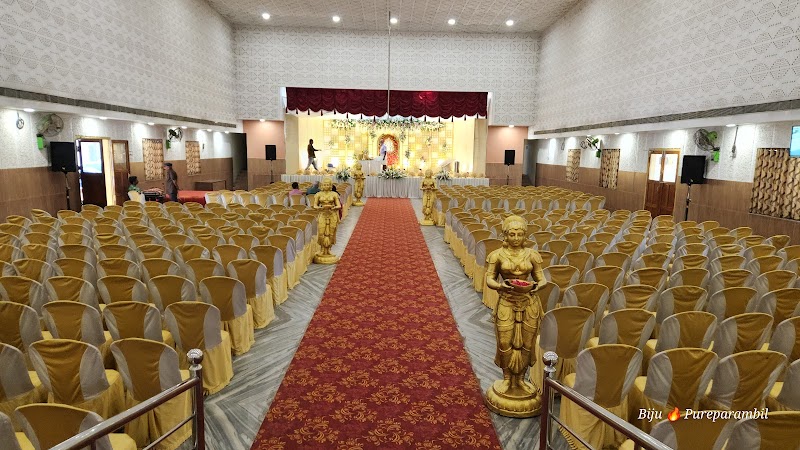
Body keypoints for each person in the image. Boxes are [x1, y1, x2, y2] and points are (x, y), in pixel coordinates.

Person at [484, 215, 547, 417]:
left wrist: (536, 286)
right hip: (507, 301)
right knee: (505, 342)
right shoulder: (497, 255)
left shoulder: (532, 254)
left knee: (527, 344)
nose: (516, 238)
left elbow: (542, 278)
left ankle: (520, 379)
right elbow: (489, 278)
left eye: (520, 234)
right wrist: (500, 286)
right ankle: (506, 378)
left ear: (525, 235)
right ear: (505, 235)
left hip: (529, 303)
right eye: (512, 234)